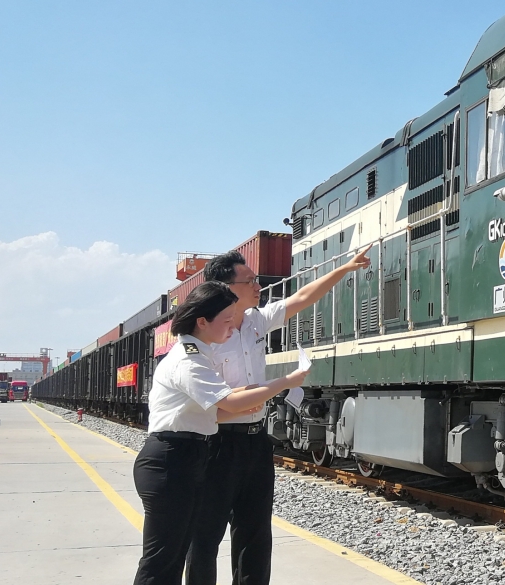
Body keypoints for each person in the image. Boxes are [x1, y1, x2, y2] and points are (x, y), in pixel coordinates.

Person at [185, 244, 371, 585]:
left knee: (255, 533)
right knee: (204, 535)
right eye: (250, 281)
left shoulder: (257, 320)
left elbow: (302, 297)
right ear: (226, 288)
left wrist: (345, 268)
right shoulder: (205, 336)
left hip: (255, 442)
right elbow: (207, 400)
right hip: (216, 443)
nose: (259, 286)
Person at [132, 281, 306, 585]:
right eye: (226, 320)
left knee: (173, 556)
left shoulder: (202, 354)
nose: (231, 327)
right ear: (202, 322)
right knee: (162, 562)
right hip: (171, 460)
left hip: (187, 456)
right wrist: (286, 382)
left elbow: (221, 406)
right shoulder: (190, 360)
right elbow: (230, 402)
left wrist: (254, 394)